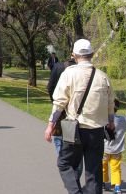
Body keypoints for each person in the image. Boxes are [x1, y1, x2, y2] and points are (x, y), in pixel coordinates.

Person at [44, 39, 115, 194]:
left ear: (74, 55)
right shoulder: (103, 76)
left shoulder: (69, 73)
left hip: (73, 127)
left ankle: (75, 192)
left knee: (65, 163)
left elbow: (59, 103)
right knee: (93, 171)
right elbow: (111, 104)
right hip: (96, 129)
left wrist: (51, 124)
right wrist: (111, 122)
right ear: (92, 54)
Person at [46, 50, 83, 180]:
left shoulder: (58, 67)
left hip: (60, 111)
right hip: (78, 112)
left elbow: (50, 87)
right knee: (76, 142)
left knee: (59, 138)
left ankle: (65, 166)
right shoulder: (85, 70)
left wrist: (56, 103)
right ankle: (75, 172)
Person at [102, 99, 126, 193]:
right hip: (117, 149)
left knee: (103, 166)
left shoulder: (103, 119)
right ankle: (117, 186)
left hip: (104, 149)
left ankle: (103, 182)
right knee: (116, 168)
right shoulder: (122, 120)